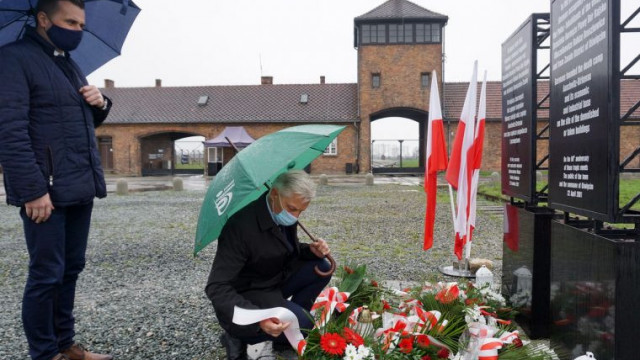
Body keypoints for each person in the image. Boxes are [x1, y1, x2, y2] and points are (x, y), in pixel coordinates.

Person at [0, 1, 113, 359]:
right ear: (44, 19)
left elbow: (73, 125)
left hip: (78, 185)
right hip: (44, 191)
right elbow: (9, 131)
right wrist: (32, 190)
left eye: (81, 24)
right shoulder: (13, 60)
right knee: (46, 275)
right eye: (70, 22)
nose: (77, 30)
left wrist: (100, 104)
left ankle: (66, 345)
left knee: (70, 270)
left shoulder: (67, 63)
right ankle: (45, 353)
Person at [206, 170, 332, 360]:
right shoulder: (240, 227)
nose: (296, 216)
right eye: (292, 209)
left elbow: (285, 248)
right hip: (250, 291)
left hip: (273, 279)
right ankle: (236, 335)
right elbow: (217, 287)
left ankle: (284, 337)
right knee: (304, 322)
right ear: (274, 194)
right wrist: (256, 319)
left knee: (321, 267)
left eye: (301, 211)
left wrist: (309, 251)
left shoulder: (280, 210)